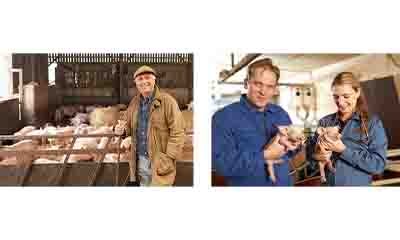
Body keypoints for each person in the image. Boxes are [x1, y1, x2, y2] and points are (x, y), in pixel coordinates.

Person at [212, 58, 301, 186]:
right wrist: (265, 155)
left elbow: (291, 151)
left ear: (275, 89)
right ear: (246, 83)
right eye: (258, 84)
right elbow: (222, 165)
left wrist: (297, 143)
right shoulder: (223, 118)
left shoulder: (280, 114)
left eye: (269, 86)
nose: (263, 92)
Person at [306, 72, 387, 186]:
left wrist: (344, 150)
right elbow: (310, 161)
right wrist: (316, 155)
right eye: (336, 96)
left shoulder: (372, 123)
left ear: (357, 92)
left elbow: (378, 165)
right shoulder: (325, 122)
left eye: (346, 96)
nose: (340, 102)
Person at [115, 65, 185, 186]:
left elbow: (178, 131)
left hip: (160, 161)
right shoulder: (134, 103)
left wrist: (168, 158)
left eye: (147, 77)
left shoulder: (167, 102)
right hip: (140, 160)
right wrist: (121, 130)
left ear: (154, 80)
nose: (144, 81)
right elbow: (127, 126)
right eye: (140, 79)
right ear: (136, 83)